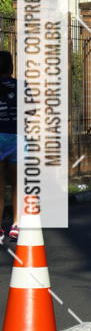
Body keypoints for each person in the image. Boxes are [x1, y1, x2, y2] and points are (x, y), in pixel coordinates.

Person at [0, 51, 19, 241]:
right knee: (15, 185)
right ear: (11, 67)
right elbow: (30, 109)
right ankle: (15, 225)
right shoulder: (21, 86)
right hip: (16, 137)